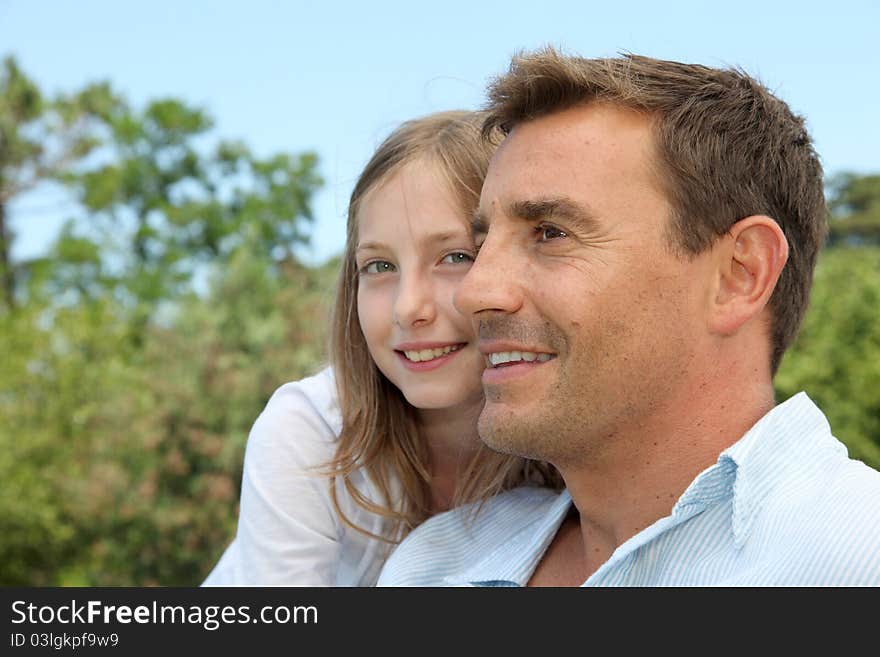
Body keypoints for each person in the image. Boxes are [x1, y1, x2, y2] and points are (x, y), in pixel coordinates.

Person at [377, 48, 880, 586]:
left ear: (741, 274)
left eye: (550, 233)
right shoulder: (430, 566)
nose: (473, 292)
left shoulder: (857, 560)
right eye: (481, 244)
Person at [202, 110, 560, 586]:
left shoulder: (564, 450)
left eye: (455, 257)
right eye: (378, 266)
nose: (408, 307)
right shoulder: (309, 433)